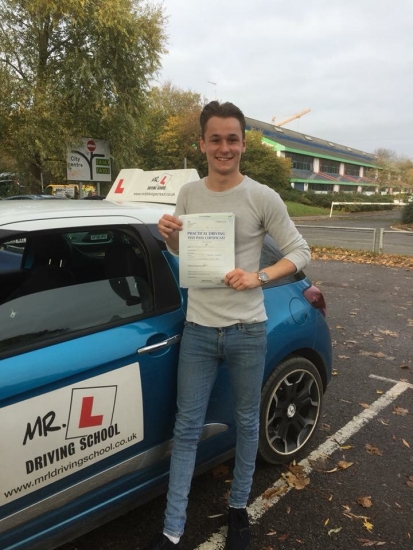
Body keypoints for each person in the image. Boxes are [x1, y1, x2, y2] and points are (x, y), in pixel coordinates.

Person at [150, 101, 311, 550]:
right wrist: (170, 237)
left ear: (243, 144)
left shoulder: (262, 196)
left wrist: (258, 276)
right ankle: (172, 528)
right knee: (186, 428)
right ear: (202, 143)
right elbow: (187, 257)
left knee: (244, 423)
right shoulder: (188, 193)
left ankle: (238, 509)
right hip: (199, 330)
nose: (224, 147)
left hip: (247, 331)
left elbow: (300, 253)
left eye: (232, 139)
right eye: (215, 139)